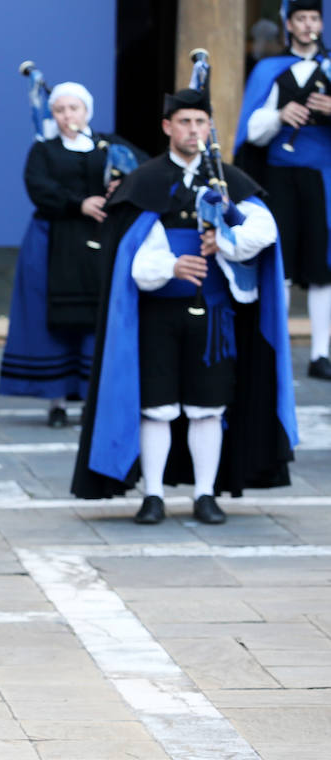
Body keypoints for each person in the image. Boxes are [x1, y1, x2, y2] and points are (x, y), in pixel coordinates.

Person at [72, 89, 297, 524]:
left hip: (216, 319)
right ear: (167, 127)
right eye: (184, 123)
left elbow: (264, 231)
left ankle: (205, 495)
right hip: (157, 315)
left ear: (209, 126)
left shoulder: (230, 179)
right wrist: (171, 265)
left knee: (207, 406)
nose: (193, 131)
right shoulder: (144, 181)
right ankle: (152, 496)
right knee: (156, 406)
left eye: (200, 122)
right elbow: (132, 260)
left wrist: (227, 239)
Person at [0, 81, 146, 427]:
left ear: (86, 111)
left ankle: (94, 399)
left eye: (73, 108)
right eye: (60, 110)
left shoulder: (110, 145)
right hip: (53, 242)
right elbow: (38, 187)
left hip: (100, 244)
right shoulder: (43, 151)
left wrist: (120, 185)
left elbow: (143, 171)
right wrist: (78, 203)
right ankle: (57, 401)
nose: (67, 116)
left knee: (97, 318)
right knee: (54, 319)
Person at [235, 0, 331, 378]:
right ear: (288, 25)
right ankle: (277, 348)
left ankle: (321, 353)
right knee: (282, 261)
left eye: (314, 19)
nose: (309, 26)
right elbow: (252, 130)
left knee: (323, 266)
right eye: (301, 19)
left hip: (322, 178)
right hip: (279, 177)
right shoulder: (270, 70)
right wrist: (279, 116)